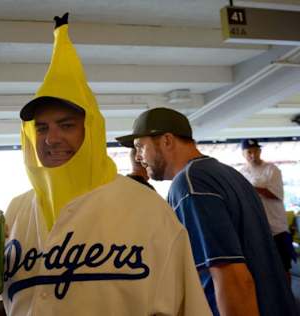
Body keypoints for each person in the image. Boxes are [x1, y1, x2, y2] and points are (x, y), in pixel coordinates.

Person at [0, 13, 211, 316]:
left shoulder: (148, 210)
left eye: (66, 125)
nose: (51, 139)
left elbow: (189, 306)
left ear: (91, 131)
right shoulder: (17, 211)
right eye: (42, 128)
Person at [117, 107, 297, 316]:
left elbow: (231, 277)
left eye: (140, 147)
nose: (138, 157)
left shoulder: (190, 184)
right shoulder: (228, 174)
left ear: (167, 140)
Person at [240, 139, 296, 280]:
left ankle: (288, 300)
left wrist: (251, 188)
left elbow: (276, 194)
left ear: (260, 151)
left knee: (284, 267)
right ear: (244, 154)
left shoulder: (272, 169)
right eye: (249, 152)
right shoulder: (242, 172)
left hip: (277, 228)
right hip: (256, 228)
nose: (253, 155)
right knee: (263, 268)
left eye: (255, 151)